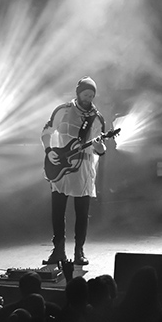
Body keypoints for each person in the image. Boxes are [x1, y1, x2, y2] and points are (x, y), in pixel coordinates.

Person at [41, 77, 107, 269]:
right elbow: (46, 132)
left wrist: (100, 146)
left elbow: (101, 151)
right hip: (61, 166)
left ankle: (79, 251)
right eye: (86, 94)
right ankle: (58, 250)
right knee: (58, 210)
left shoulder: (97, 118)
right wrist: (49, 150)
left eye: (92, 95)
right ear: (78, 93)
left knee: (82, 212)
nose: (89, 98)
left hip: (84, 170)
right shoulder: (62, 110)